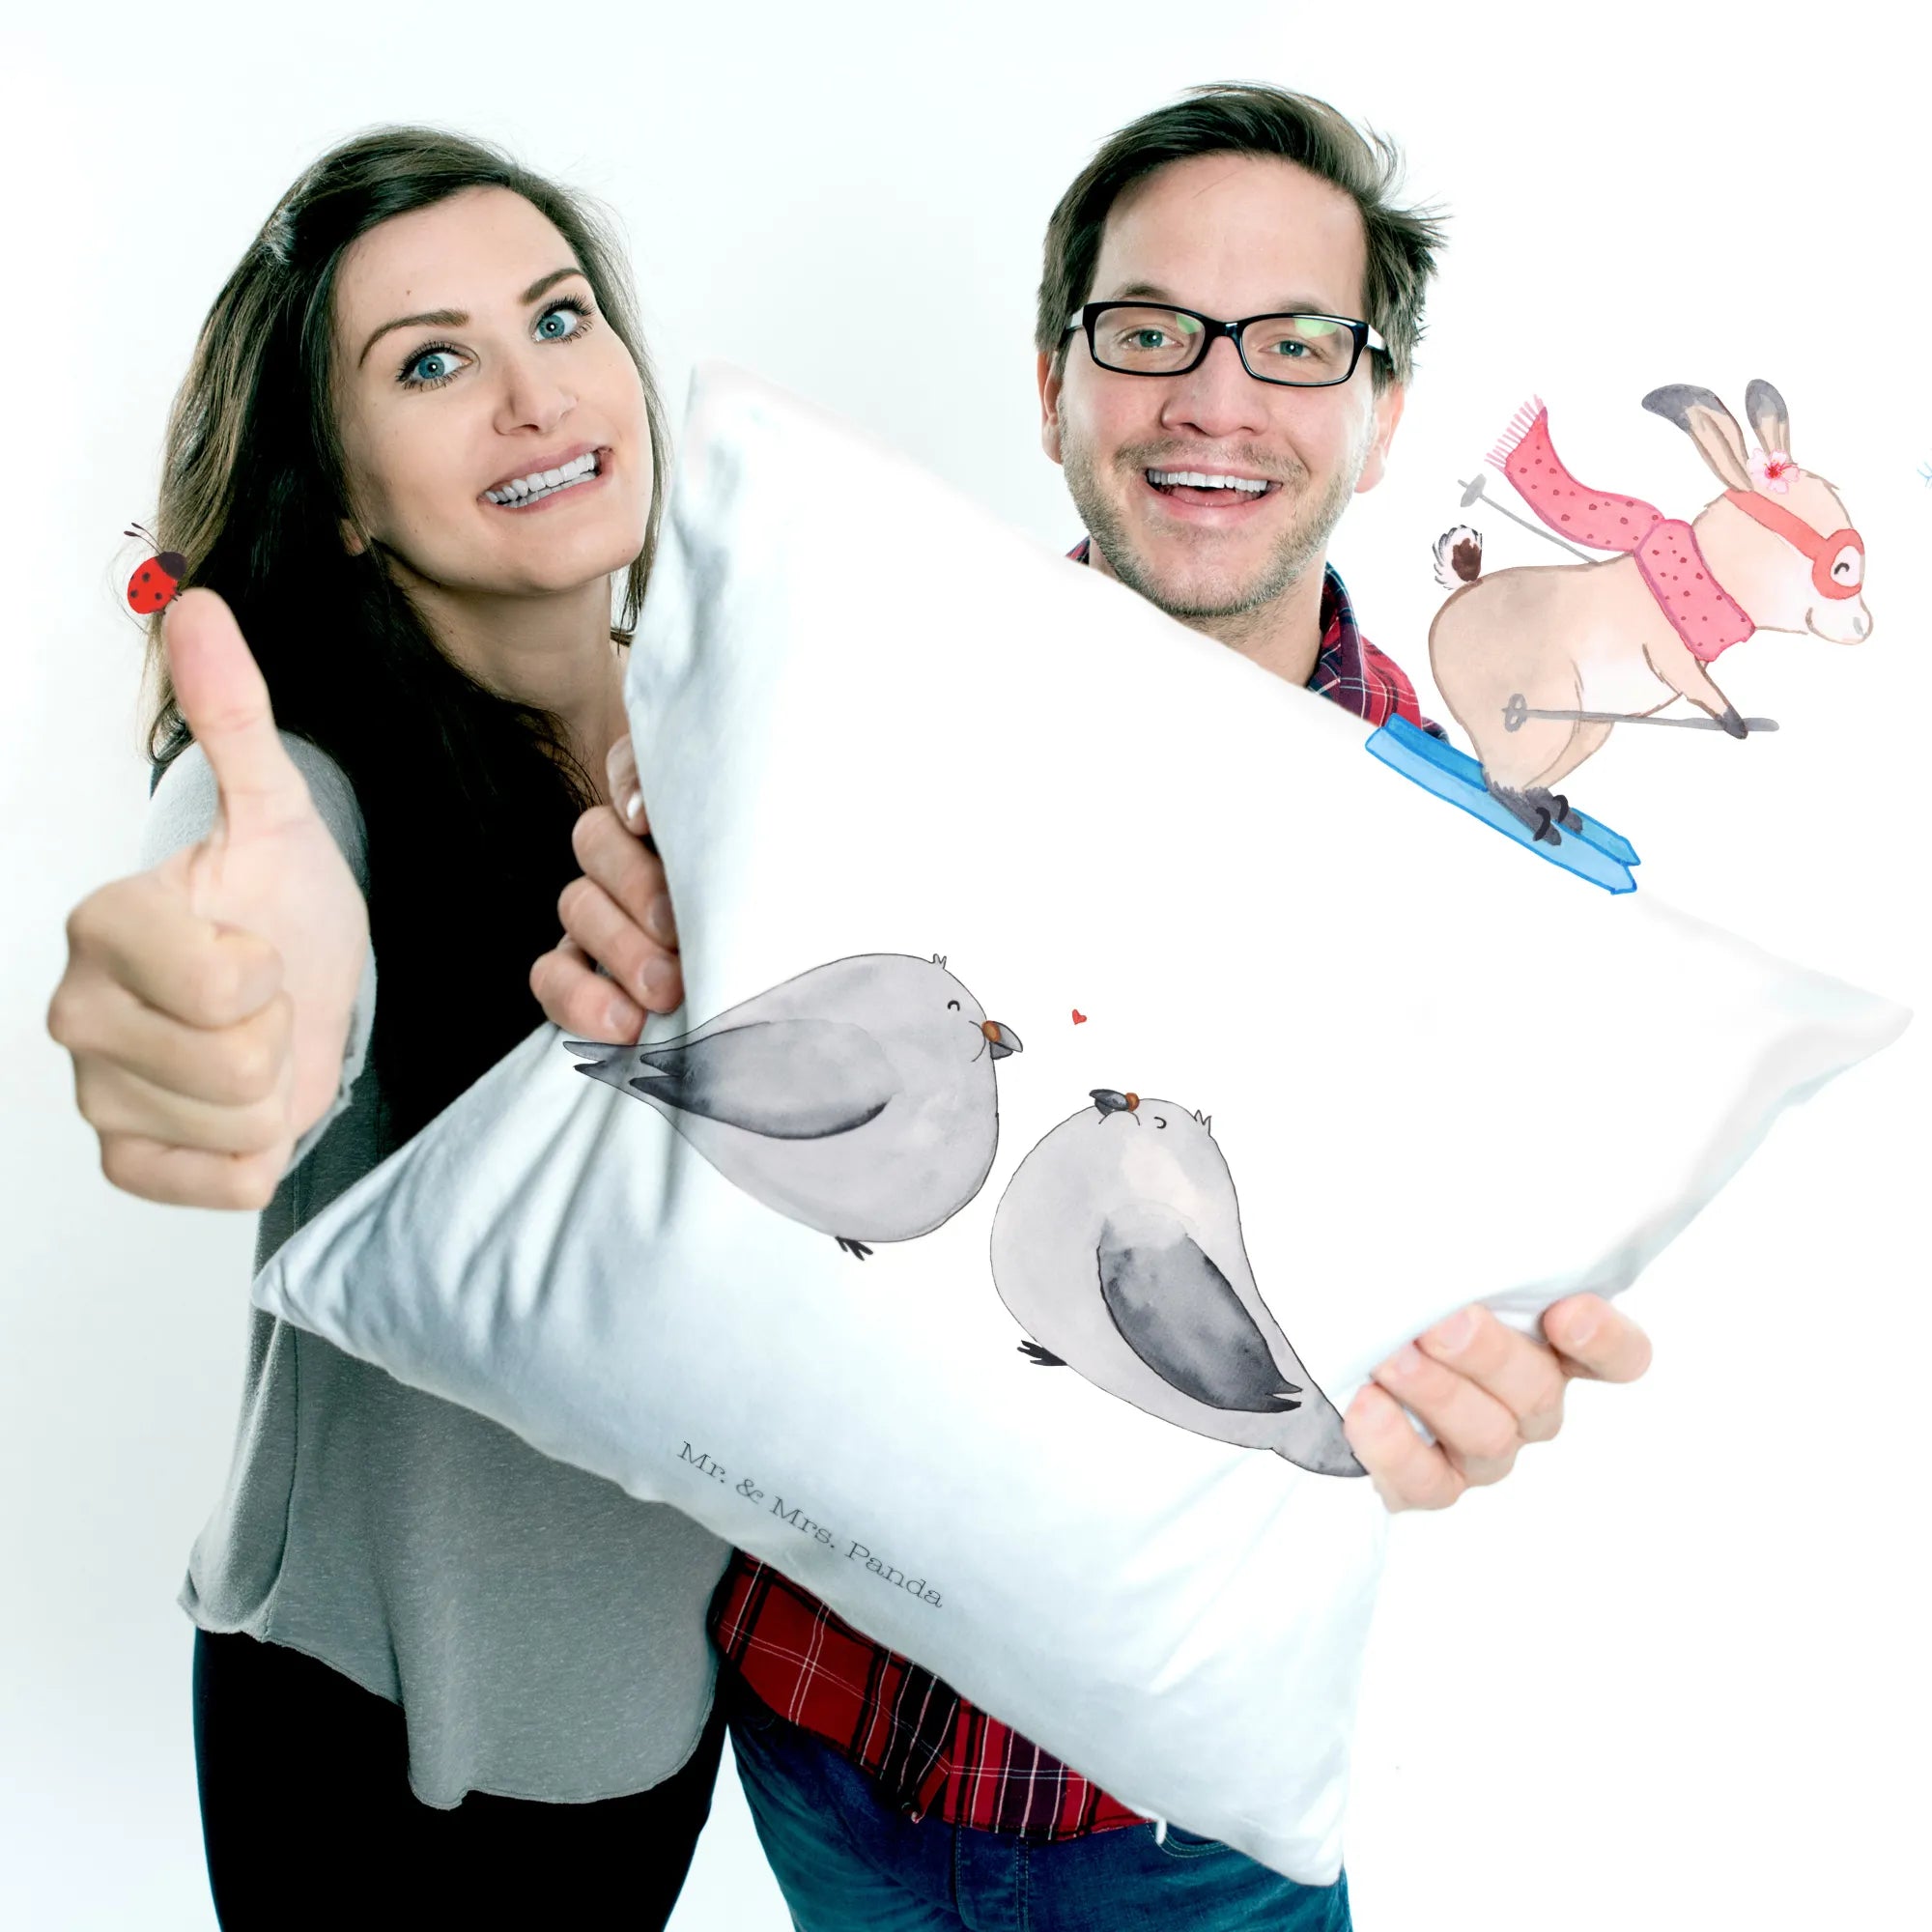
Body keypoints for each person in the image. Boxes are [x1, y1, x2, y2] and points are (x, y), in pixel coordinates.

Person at [533, 84, 1656, 1928]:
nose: (1216, 398)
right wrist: (631, 993)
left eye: (1296, 343)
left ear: (1380, 419)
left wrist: (1466, 1380)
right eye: (1150, 333)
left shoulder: (1476, 883)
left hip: (1179, 1830)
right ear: (1054, 384)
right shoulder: (832, 711)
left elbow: (1421, 1323)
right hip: (810, 1740)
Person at [45, 130, 730, 1929]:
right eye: (430, 363)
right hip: (381, 1743)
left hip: (662, 1709)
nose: (532, 395)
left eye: (559, 318)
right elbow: (254, 899)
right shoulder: (309, 782)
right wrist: (221, 1001)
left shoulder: (732, 745)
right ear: (342, 496)